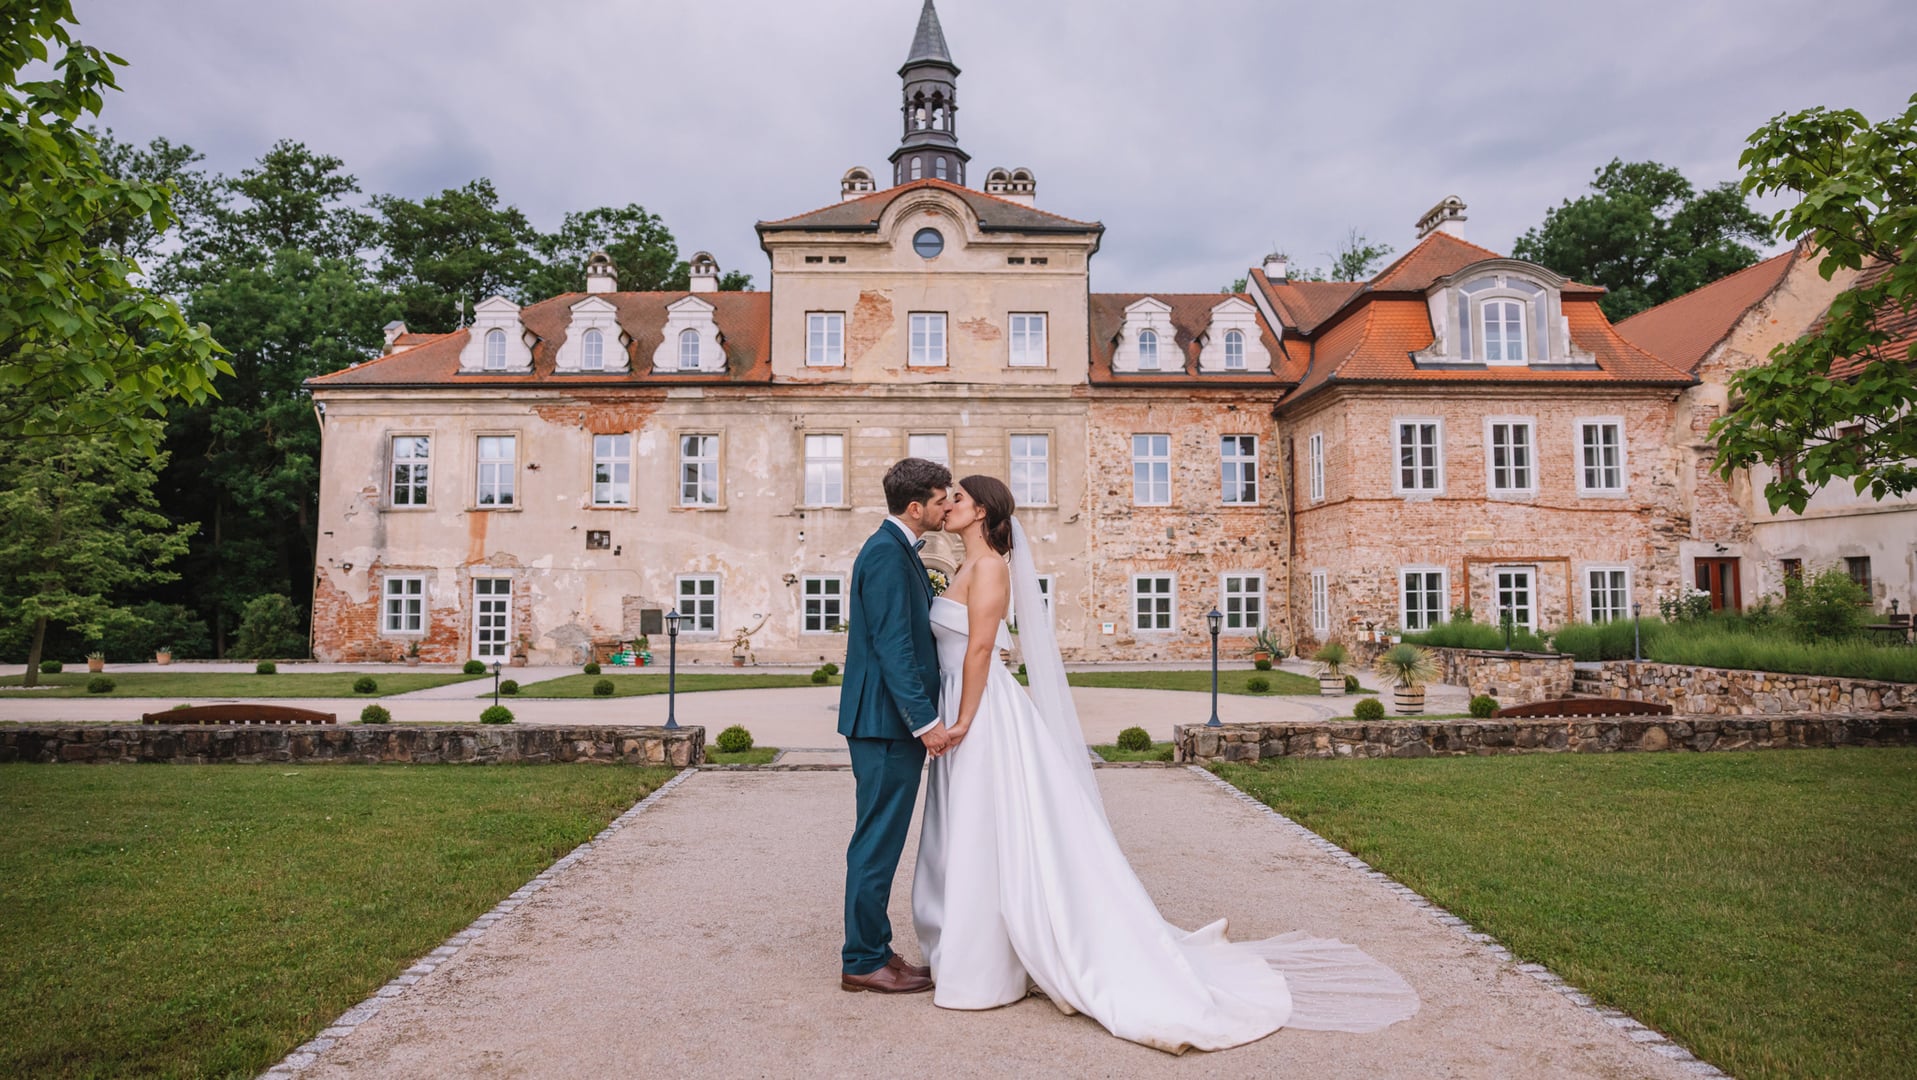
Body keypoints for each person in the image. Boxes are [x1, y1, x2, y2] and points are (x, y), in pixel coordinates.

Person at [912, 474, 1420, 1053]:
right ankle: (980, 953)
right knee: (974, 831)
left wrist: (962, 720)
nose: (946, 506)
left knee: (987, 828)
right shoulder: (960, 569)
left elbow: (981, 648)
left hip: (980, 711)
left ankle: (985, 971)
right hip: (963, 702)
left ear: (982, 512)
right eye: (946, 498)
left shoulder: (991, 569)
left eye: (957, 499)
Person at [837, 457, 952, 994]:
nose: (945, 506)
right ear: (915, 507)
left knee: (882, 838)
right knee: (877, 841)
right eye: (939, 499)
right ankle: (862, 960)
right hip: (885, 724)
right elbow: (893, 646)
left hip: (887, 722)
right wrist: (924, 720)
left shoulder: (896, 549)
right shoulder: (885, 553)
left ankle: (877, 948)